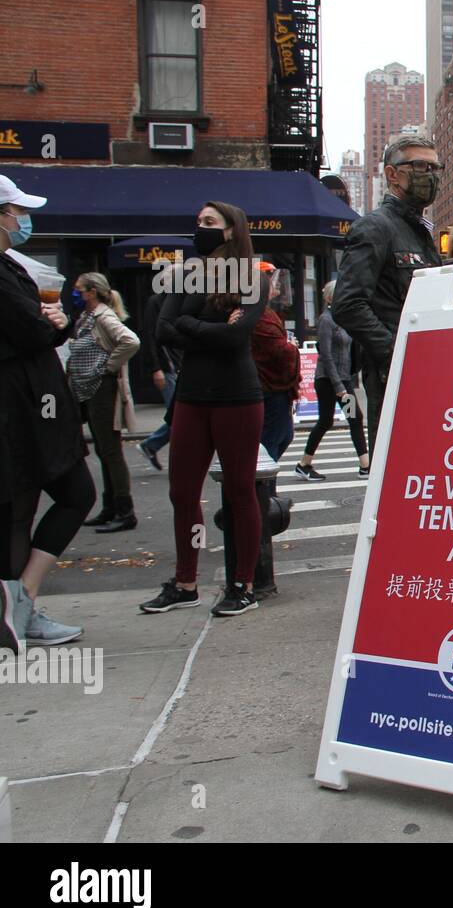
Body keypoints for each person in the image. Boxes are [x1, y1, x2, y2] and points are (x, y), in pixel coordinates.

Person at [142, 201, 267, 617]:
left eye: (209, 222)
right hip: (192, 397)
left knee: (239, 491)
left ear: (232, 230)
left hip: (237, 397)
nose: (201, 228)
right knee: (183, 493)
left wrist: (190, 326)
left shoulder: (253, 276)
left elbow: (237, 338)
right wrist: (212, 327)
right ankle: (185, 581)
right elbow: (162, 330)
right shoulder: (186, 276)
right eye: (198, 222)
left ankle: (242, 584)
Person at [0, 173, 90, 648]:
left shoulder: (10, 266)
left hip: (32, 407)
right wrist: (50, 323)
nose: (23, 220)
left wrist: (51, 322)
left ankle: (21, 605)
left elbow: (40, 326)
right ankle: (20, 605)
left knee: (25, 507)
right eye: (16, 211)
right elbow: (33, 331)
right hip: (23, 411)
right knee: (61, 495)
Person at [332, 135, 443, 455]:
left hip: (426, 372)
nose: (430, 175)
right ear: (392, 174)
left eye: (435, 167)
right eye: (420, 166)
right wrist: (397, 350)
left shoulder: (419, 231)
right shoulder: (375, 227)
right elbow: (347, 304)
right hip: (392, 375)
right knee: (396, 464)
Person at [68, 273, 140, 533]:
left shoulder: (103, 316)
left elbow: (130, 341)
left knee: (110, 450)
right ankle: (111, 507)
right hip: (89, 388)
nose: (75, 293)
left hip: (102, 389)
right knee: (102, 448)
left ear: (92, 292)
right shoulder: (88, 316)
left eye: (79, 289)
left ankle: (125, 510)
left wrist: (108, 367)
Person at [295, 280, 369, 481]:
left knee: (349, 419)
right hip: (329, 381)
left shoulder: (342, 319)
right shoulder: (326, 320)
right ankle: (304, 463)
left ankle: (364, 465)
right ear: (329, 298)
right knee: (334, 420)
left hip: (342, 379)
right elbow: (325, 355)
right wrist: (339, 386)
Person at [252, 267, 300, 462]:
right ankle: (264, 488)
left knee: (283, 435)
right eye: (272, 281)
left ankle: (266, 486)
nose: (277, 285)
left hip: (277, 386)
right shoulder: (258, 314)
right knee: (272, 437)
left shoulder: (265, 311)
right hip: (269, 385)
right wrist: (291, 347)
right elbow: (277, 348)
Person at [137, 284, 183, 471]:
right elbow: (150, 336)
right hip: (167, 366)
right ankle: (153, 445)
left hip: (175, 364)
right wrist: (156, 368)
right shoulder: (157, 302)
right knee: (179, 416)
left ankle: (151, 445)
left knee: (178, 415)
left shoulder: (175, 300)